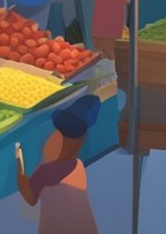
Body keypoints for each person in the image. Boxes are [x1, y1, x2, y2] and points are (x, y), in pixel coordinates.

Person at [17, 94, 101, 234]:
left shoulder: (45, 172)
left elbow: (31, 198)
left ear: (59, 137)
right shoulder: (78, 167)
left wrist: (20, 174)